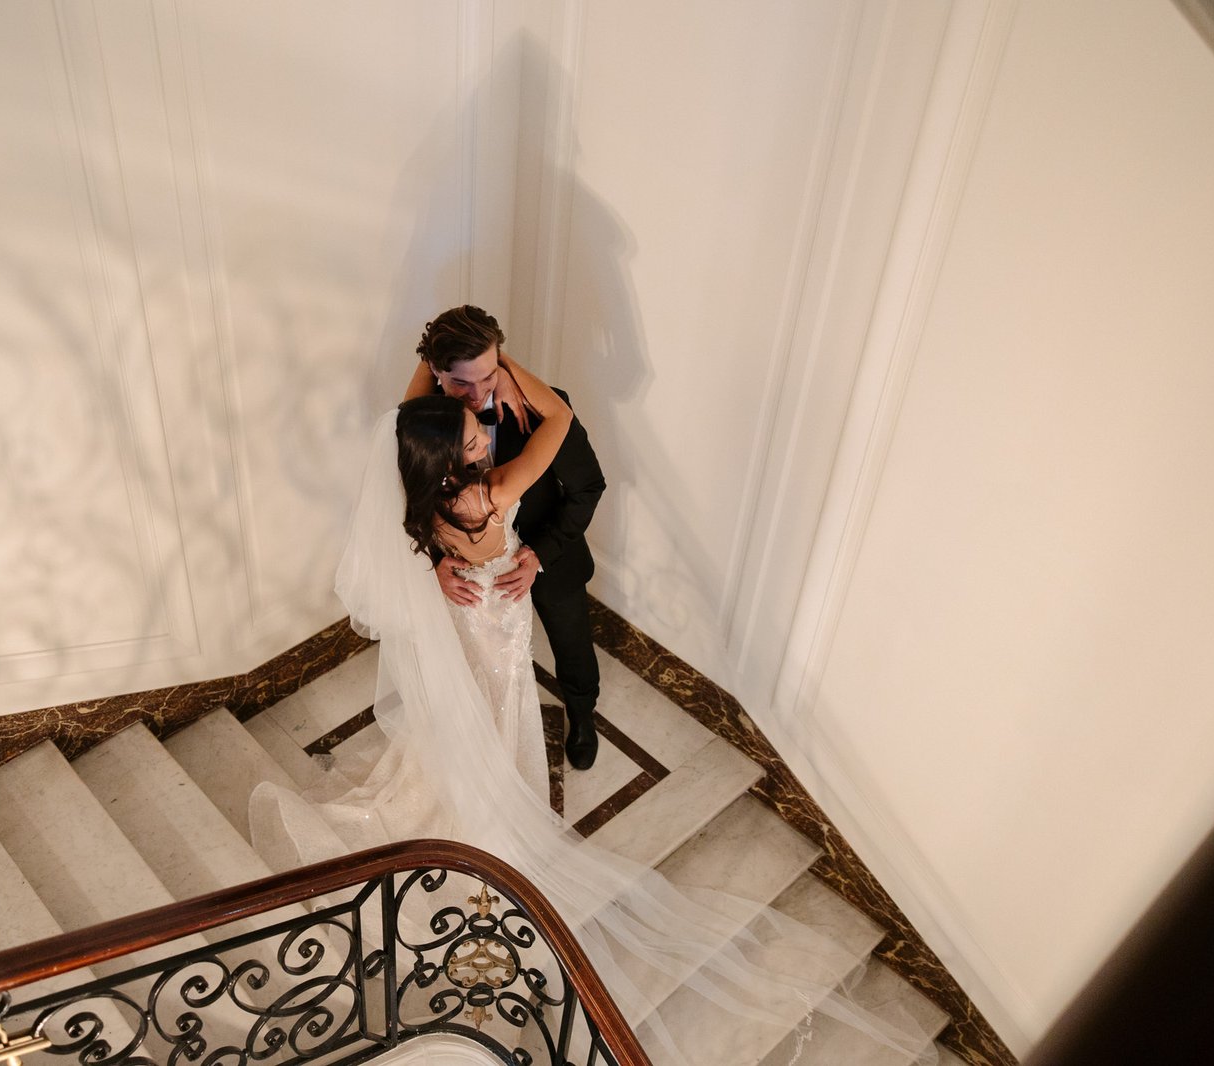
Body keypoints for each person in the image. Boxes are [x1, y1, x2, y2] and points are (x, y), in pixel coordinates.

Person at [247, 340, 936, 1064]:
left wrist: (436, 375)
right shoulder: (490, 492)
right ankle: (486, 789)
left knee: (473, 701)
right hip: (497, 615)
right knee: (500, 690)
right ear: (454, 456)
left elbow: (411, 414)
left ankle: (461, 770)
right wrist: (511, 372)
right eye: (470, 426)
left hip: (462, 610)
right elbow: (560, 427)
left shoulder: (421, 484)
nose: (479, 420)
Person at [404, 305, 604, 771]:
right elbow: (411, 499)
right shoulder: (423, 423)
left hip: (547, 549)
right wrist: (436, 560)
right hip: (474, 575)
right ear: (435, 372)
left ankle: (582, 715)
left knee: (572, 642)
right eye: (460, 383)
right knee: (485, 667)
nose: (475, 396)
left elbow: (588, 488)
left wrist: (542, 555)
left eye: (488, 376)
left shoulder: (545, 405)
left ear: (501, 359)